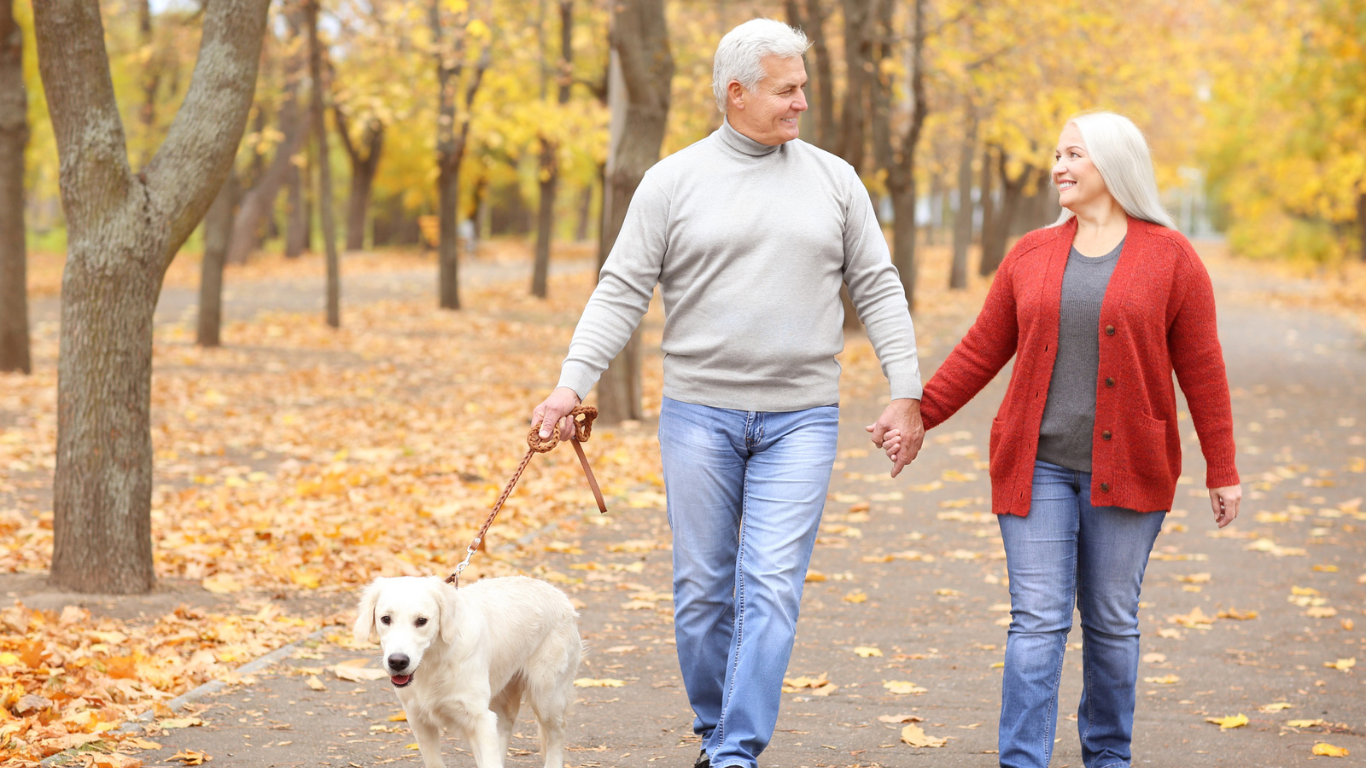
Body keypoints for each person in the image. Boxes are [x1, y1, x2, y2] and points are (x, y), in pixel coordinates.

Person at [532, 18, 926, 768]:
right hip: (699, 415)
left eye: (803, 86)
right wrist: (569, 385)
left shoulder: (835, 180)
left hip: (802, 417)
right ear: (736, 93)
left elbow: (878, 286)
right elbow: (621, 289)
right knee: (703, 591)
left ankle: (736, 751)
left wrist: (906, 391)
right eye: (787, 89)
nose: (801, 102)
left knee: (770, 584)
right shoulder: (672, 182)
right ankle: (715, 729)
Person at [880, 111, 1242, 768]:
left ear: (1113, 162)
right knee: (1037, 620)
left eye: (1074, 154)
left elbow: (1203, 367)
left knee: (1111, 623)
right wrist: (918, 414)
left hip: (1130, 468)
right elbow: (982, 349)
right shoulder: (1032, 253)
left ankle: (1107, 757)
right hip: (1037, 465)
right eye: (1056, 155)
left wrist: (1223, 467)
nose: (1059, 167)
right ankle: (1022, 760)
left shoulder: (1172, 257)